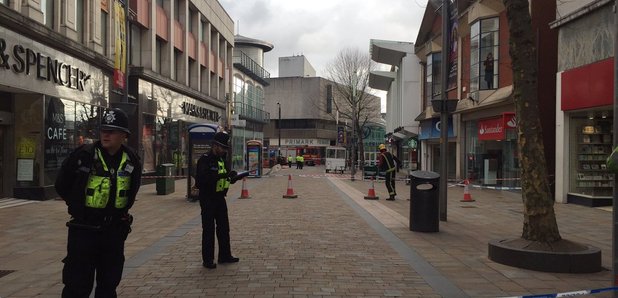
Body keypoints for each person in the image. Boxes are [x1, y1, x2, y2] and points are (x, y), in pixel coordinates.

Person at [55, 108, 142, 297]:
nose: (106, 135)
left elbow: (133, 188)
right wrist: (77, 206)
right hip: (84, 231)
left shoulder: (132, 159)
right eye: (104, 130)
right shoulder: (84, 155)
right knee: (77, 286)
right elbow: (62, 184)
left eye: (112, 131)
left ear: (124, 135)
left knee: (108, 285)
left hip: (113, 232)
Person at [195, 131, 240, 269]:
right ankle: (208, 259)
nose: (224, 150)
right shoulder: (205, 159)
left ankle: (224, 255)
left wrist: (231, 177)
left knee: (224, 228)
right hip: (208, 199)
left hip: (220, 198)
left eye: (225, 148)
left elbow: (224, 178)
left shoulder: (222, 160)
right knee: (208, 230)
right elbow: (202, 180)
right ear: (215, 146)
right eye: (222, 148)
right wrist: (222, 176)